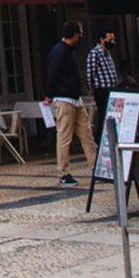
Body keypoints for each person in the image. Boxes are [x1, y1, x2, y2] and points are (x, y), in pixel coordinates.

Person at [43, 21, 96, 188]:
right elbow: (52, 74)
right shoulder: (59, 52)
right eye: (79, 34)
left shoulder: (69, 51)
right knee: (64, 136)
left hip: (75, 98)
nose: (80, 37)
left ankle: (97, 168)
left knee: (86, 132)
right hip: (64, 99)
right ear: (73, 35)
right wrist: (49, 95)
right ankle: (63, 173)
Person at [86, 30, 123, 143]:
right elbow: (90, 72)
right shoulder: (95, 53)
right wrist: (91, 88)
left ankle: (110, 136)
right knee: (103, 113)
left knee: (110, 114)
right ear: (102, 40)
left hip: (111, 87)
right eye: (109, 40)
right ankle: (101, 138)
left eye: (113, 39)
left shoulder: (107, 53)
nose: (112, 42)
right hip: (101, 89)